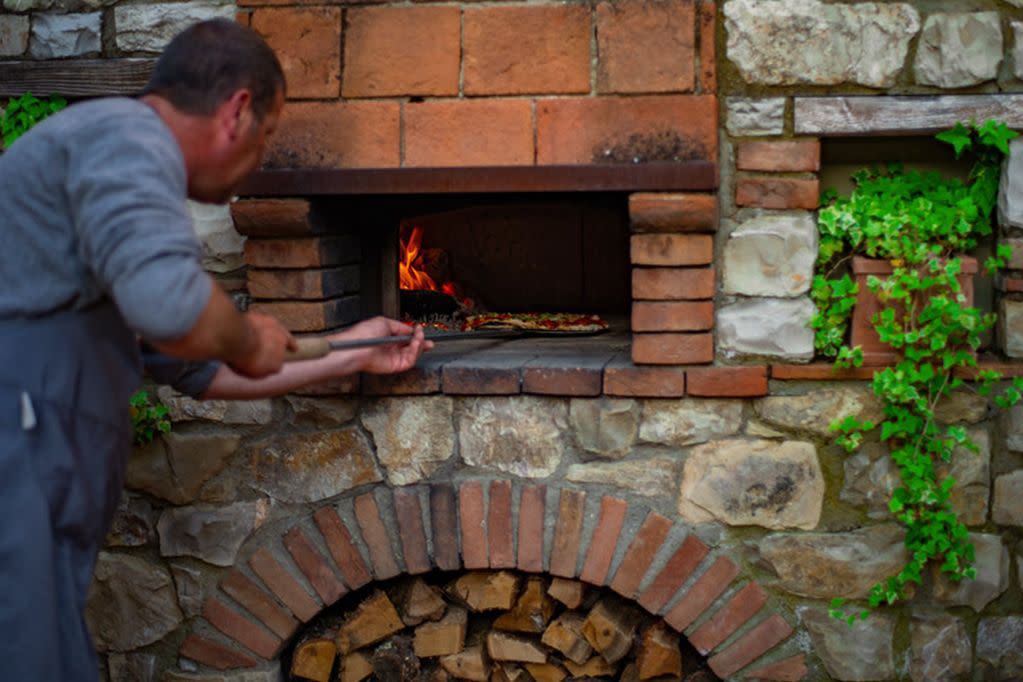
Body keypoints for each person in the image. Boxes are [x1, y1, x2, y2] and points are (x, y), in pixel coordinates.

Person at [0, 18, 430, 681]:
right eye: (267, 137)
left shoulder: (115, 200)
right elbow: (175, 311)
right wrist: (246, 331)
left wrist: (350, 349)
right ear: (236, 111)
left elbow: (199, 370)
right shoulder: (124, 139)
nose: (260, 160)